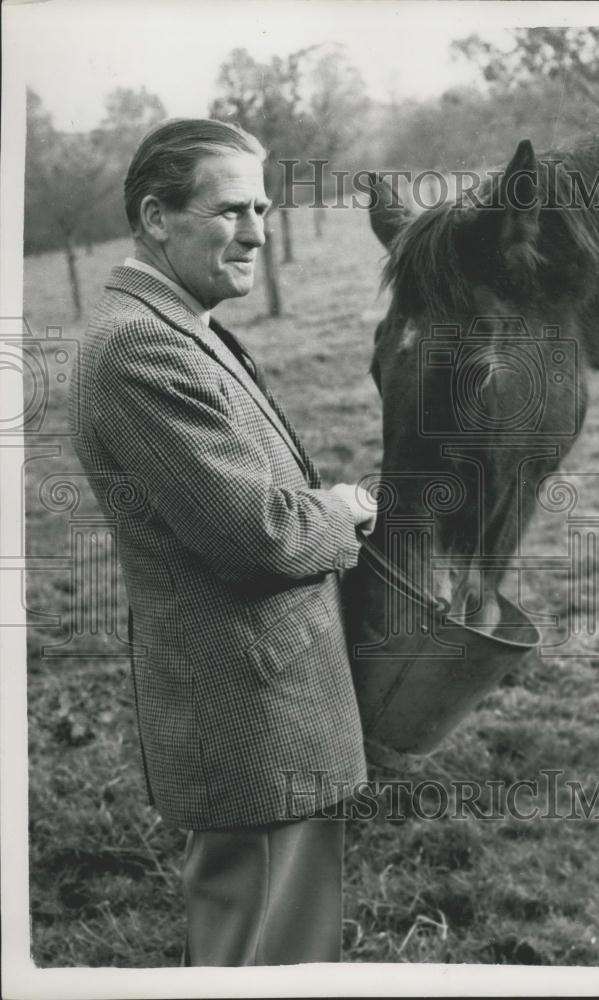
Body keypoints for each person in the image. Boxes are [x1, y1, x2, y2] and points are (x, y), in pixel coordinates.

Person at [70, 118, 375, 966]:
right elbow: (260, 536)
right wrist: (345, 509)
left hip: (275, 710)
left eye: (264, 208)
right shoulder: (140, 346)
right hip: (250, 719)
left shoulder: (180, 322)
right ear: (155, 217)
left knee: (290, 952)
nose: (256, 231)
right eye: (231, 210)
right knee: (256, 960)